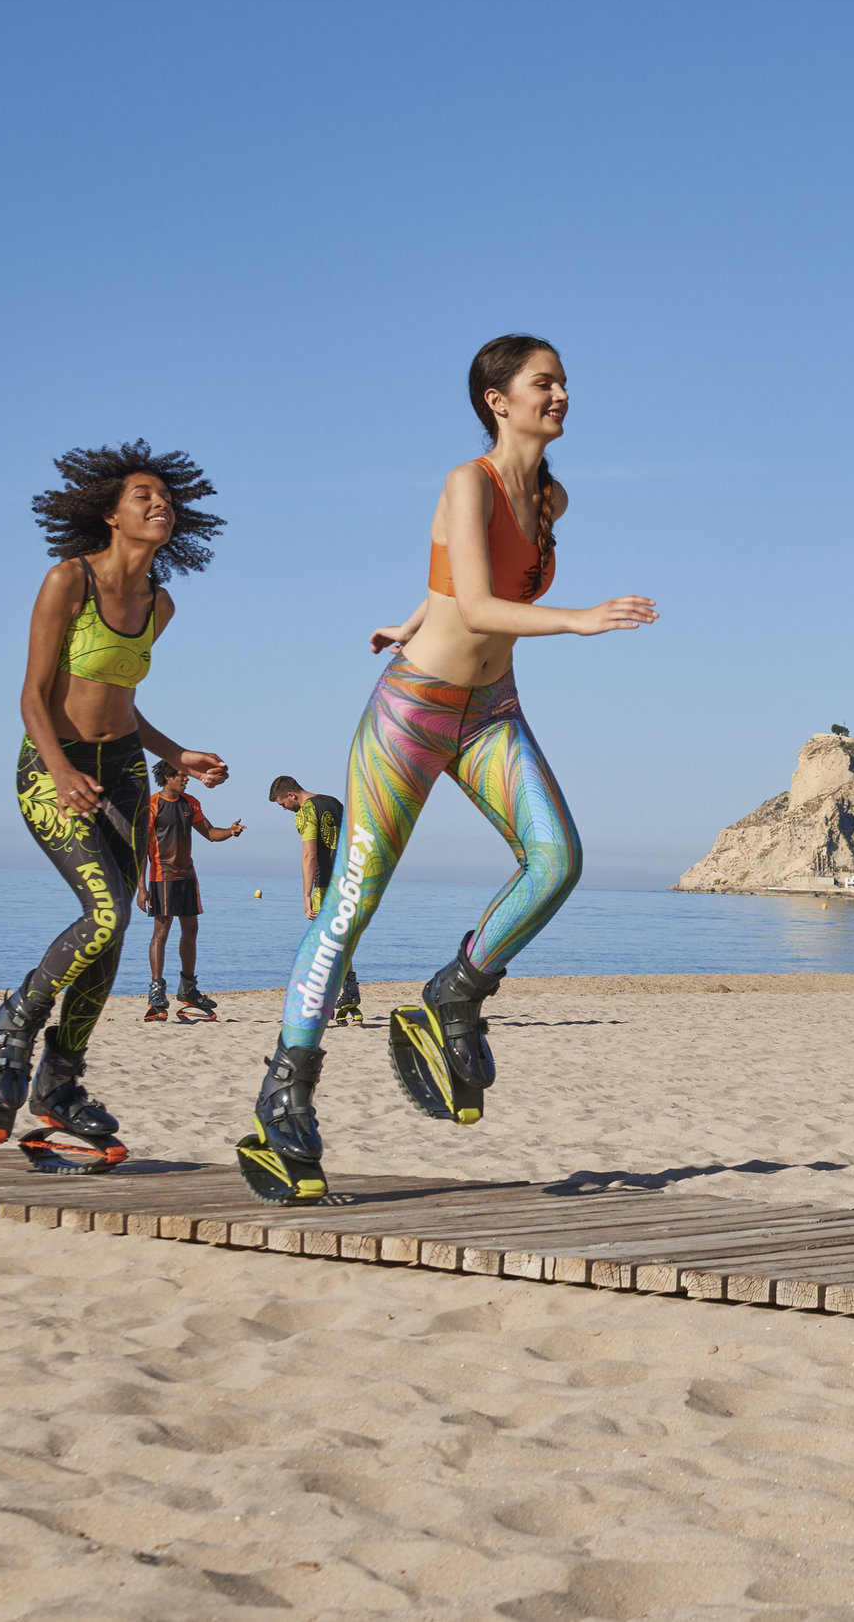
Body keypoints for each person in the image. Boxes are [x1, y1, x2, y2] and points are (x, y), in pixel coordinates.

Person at [239, 335, 658, 1203]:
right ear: (497, 399)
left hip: (490, 713)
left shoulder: (553, 497)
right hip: (414, 713)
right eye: (545, 383)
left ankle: (455, 994)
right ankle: (287, 1091)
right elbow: (471, 600)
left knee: (559, 862)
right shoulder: (466, 481)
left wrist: (407, 614)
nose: (563, 395)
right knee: (352, 905)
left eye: (566, 383)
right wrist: (576, 620)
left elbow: (452, 587)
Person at [0, 442, 232, 1151]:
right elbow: (32, 697)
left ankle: (60, 1082)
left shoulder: (159, 603)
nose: (159, 505)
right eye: (143, 497)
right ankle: (13, 1026)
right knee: (107, 913)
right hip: (55, 765)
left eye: (166, 499)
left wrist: (174, 754)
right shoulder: (67, 582)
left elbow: (122, 701)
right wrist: (57, 769)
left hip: (123, 770)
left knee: (112, 937)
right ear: (110, 514)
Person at [140, 759, 245, 1020]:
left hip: (187, 876)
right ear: (167, 778)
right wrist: (141, 889)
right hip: (161, 876)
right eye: (181, 776)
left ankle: (188, 989)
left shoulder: (191, 803)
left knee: (191, 929)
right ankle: (156, 991)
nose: (186, 779)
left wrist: (230, 832)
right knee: (161, 930)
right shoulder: (151, 806)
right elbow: (140, 851)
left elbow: (209, 833)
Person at [269, 774, 362, 1023]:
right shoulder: (333, 803)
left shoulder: (306, 812)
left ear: (291, 795)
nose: (284, 809)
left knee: (326, 945)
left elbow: (309, 856)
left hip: (325, 886)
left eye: (282, 804)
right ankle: (350, 992)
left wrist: (306, 895)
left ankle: (327, 1001)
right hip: (349, 880)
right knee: (341, 939)